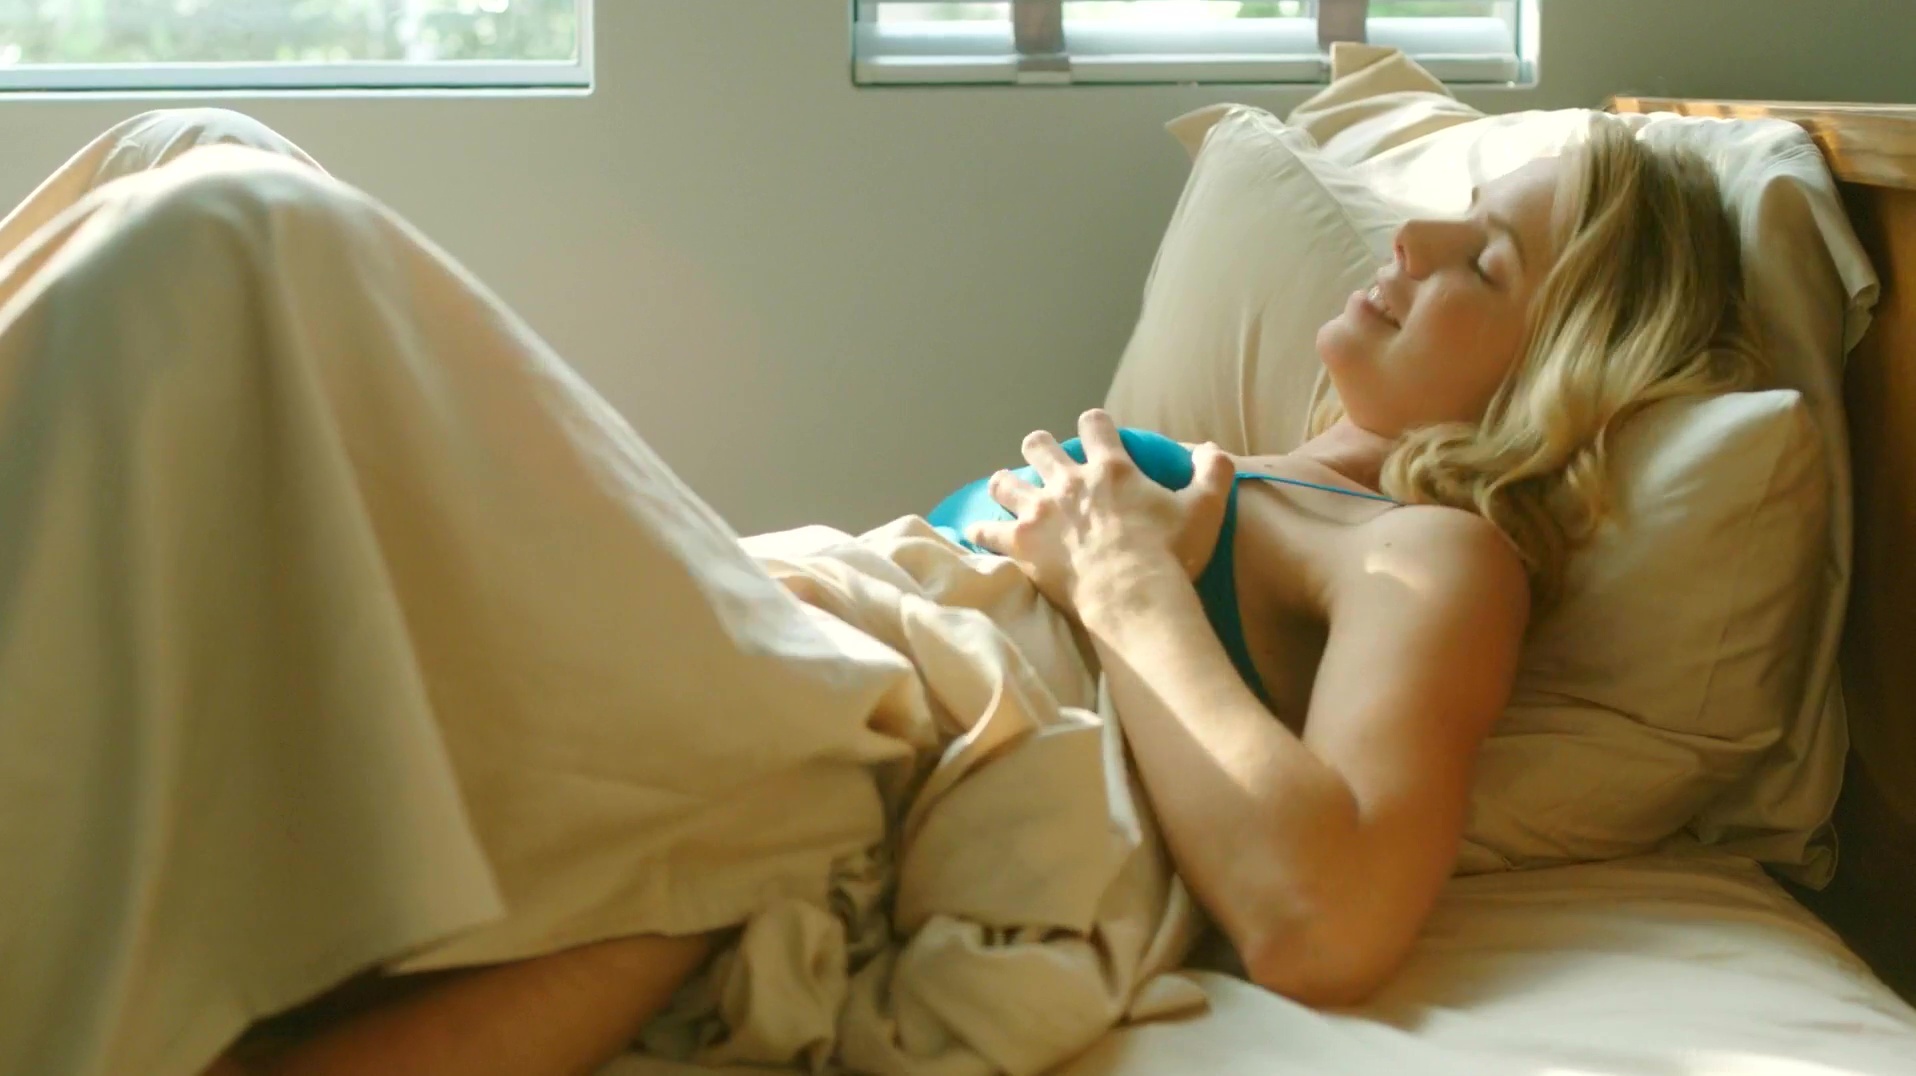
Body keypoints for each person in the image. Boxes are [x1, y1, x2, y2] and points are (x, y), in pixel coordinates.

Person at [0, 110, 1753, 1076]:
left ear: (1561, 374)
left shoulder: (1426, 550)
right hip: (770, 617)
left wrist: (1123, 580)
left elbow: (1330, 917)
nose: (1411, 245)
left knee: (236, 232)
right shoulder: (1256, 469)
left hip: (839, 708)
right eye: (1445, 215)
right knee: (189, 154)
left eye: (1484, 261)